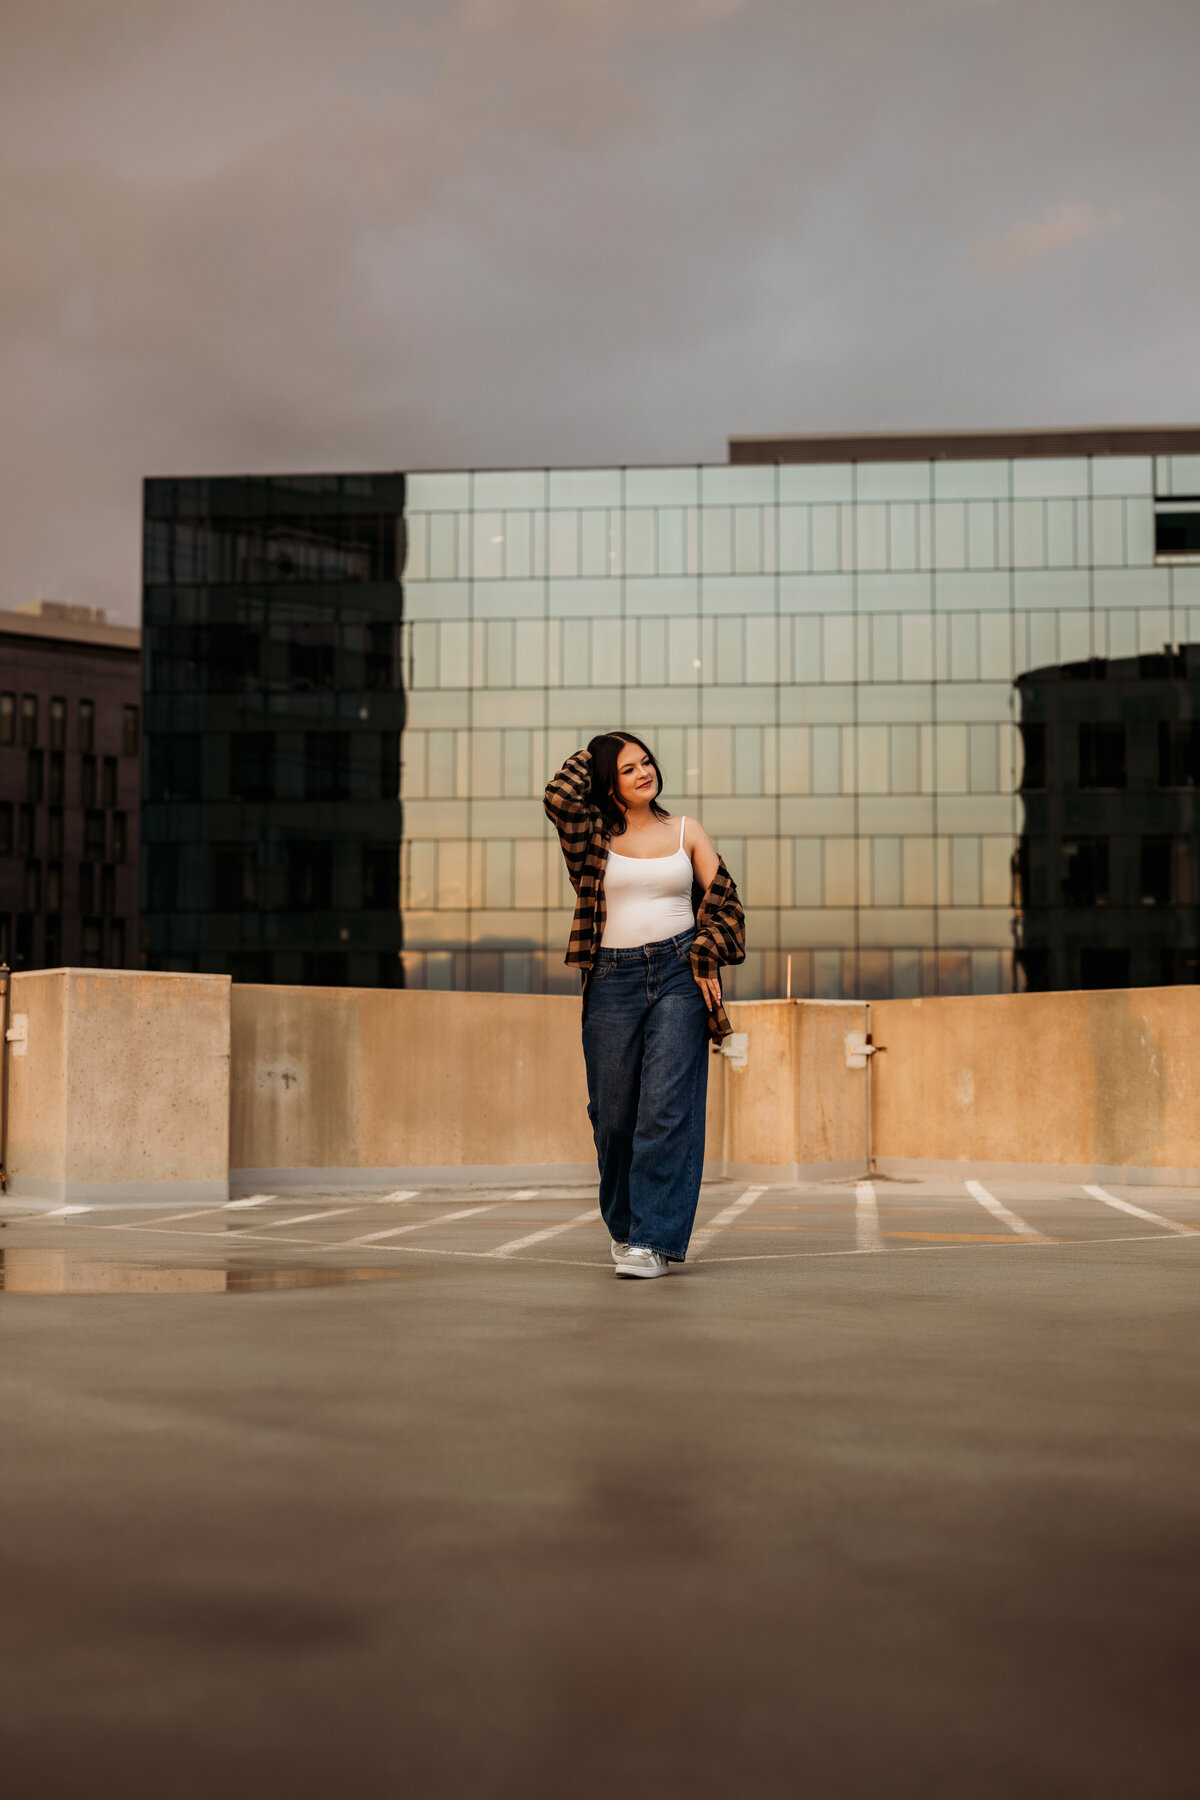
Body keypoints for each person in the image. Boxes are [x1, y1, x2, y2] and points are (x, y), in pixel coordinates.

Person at [544, 733, 745, 1280]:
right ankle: (626, 1227)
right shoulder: (590, 837)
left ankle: (653, 1240)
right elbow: (559, 797)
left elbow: (726, 906)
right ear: (607, 781)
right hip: (611, 978)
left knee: (665, 1109)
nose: (643, 772)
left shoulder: (687, 831)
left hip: (680, 973)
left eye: (647, 761)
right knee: (612, 1116)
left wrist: (704, 952)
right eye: (627, 768)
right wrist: (600, 749)